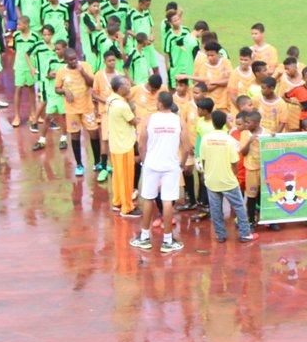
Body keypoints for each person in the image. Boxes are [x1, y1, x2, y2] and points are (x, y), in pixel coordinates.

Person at [130, 90, 190, 253]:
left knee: (148, 199)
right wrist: (181, 164)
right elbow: (186, 147)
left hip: (151, 164)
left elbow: (141, 145)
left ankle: (144, 237)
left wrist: (144, 160)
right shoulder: (179, 121)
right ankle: (168, 240)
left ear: (160, 104)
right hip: (171, 166)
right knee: (168, 201)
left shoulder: (149, 119)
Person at [199, 111, 256, 243]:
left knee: (215, 209)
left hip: (212, 179)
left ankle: (220, 235)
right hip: (228, 180)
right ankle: (245, 234)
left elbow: (203, 159)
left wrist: (207, 174)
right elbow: (234, 161)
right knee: (239, 207)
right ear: (225, 122)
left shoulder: (205, 139)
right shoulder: (229, 140)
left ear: (212, 122)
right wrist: (234, 175)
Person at [53, 48, 95, 177]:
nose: (74, 62)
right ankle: (79, 164)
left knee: (94, 134)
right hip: (72, 110)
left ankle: (98, 162)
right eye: (70, 60)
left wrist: (83, 72)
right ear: (65, 60)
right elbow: (57, 89)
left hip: (87, 107)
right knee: (75, 136)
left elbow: (92, 83)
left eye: (75, 58)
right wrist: (65, 91)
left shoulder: (85, 66)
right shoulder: (61, 71)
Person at [106, 76, 140, 217]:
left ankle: (117, 201)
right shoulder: (122, 105)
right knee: (126, 177)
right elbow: (133, 121)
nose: (129, 86)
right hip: (124, 145)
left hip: (115, 144)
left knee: (118, 175)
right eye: (126, 84)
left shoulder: (110, 100)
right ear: (120, 88)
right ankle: (127, 208)